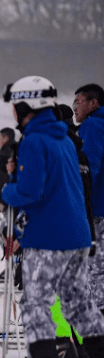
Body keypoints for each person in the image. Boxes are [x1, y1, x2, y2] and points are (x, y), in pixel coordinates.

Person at [0, 75, 104, 358]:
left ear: (25, 106)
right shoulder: (64, 137)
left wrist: (8, 190)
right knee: (78, 303)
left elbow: (31, 191)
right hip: (77, 234)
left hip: (49, 236)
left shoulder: (34, 140)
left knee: (35, 303)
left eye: (15, 107)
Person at [73, 84, 104, 319]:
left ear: (93, 103)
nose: (75, 106)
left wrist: (74, 198)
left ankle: (96, 321)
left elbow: (87, 167)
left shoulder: (93, 125)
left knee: (95, 266)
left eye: (79, 101)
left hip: (96, 207)